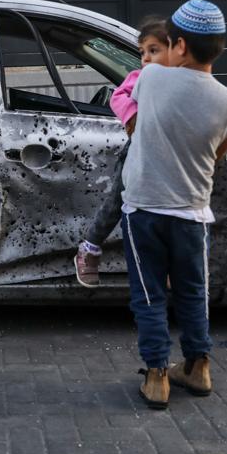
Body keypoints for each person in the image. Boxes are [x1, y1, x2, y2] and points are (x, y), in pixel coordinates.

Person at [121, 0, 227, 410]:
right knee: (193, 292)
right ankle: (198, 367)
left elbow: (129, 109)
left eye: (168, 43)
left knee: (150, 295)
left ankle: (157, 376)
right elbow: (220, 150)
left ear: (180, 46)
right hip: (192, 212)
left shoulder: (152, 77)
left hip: (143, 209)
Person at [73, 19, 172, 287]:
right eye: (143, 53)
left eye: (154, 51)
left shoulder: (180, 80)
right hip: (137, 150)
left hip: (168, 155)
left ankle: (168, 263)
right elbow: (118, 96)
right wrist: (132, 116)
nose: (146, 59)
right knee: (117, 202)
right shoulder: (139, 78)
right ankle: (90, 247)